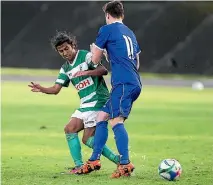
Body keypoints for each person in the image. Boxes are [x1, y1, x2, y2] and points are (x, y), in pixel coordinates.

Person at [28, 31, 119, 174]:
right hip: (85, 104)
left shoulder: (85, 56)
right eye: (60, 51)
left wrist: (86, 72)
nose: (64, 53)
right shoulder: (65, 68)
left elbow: (103, 70)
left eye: (66, 48)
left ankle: (116, 162)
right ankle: (113, 162)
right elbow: (56, 89)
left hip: (98, 100)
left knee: (83, 136)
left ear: (73, 45)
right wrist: (42, 89)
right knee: (74, 132)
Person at [76, 1, 142, 178]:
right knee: (102, 116)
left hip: (122, 83)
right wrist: (109, 54)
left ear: (107, 15)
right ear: (122, 15)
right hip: (133, 81)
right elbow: (136, 62)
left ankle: (125, 163)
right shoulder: (130, 33)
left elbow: (95, 60)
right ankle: (94, 159)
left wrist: (94, 54)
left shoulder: (106, 30)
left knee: (116, 120)